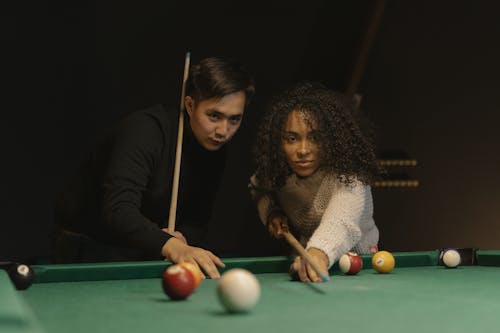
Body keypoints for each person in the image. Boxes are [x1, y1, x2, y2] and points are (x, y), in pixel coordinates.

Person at [52, 57, 255, 278]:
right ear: (190, 105)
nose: (223, 131)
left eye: (234, 119)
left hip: (144, 248)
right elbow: (118, 210)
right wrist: (172, 246)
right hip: (88, 247)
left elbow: (198, 219)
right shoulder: (145, 131)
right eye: (214, 116)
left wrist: (182, 238)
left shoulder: (215, 147)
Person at [249, 81, 380, 283]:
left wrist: (318, 252)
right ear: (279, 142)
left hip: (360, 265)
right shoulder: (279, 171)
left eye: (315, 138)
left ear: (330, 139)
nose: (303, 150)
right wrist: (272, 212)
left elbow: (341, 221)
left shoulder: (349, 176)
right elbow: (258, 187)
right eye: (291, 139)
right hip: (309, 262)